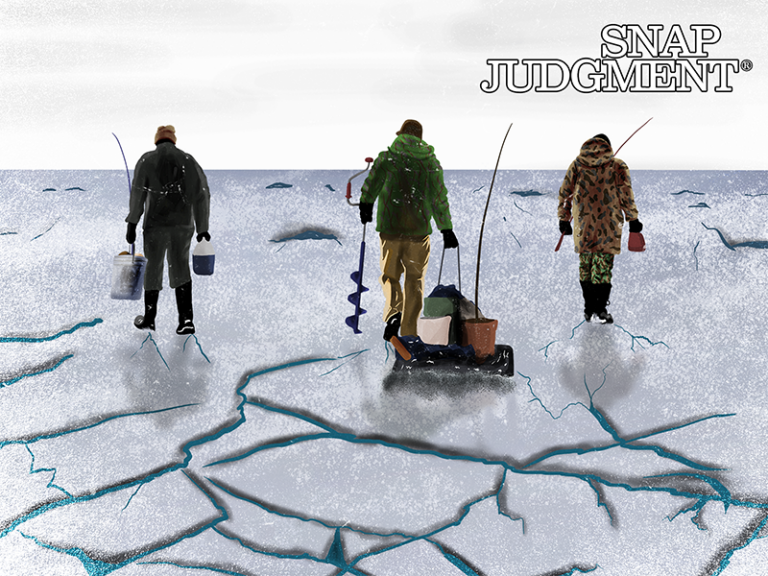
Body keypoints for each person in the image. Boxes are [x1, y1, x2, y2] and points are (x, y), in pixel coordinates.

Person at [359, 119, 458, 341]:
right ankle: (410, 332)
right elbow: (438, 199)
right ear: (420, 139)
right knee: (415, 281)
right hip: (419, 232)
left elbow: (372, 183)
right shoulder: (431, 163)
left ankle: (394, 313)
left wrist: (366, 204)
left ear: (401, 135)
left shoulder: (387, 158)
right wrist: (446, 229)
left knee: (390, 276)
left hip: (390, 230)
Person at [125, 125, 211, 335]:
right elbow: (202, 195)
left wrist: (132, 223)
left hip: (155, 226)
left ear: (157, 140)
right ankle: (186, 320)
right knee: (181, 268)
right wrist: (202, 228)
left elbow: (138, 195)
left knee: (153, 269)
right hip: (182, 227)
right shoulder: (188, 161)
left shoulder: (146, 161)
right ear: (173, 140)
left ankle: (149, 319)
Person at [557, 133, 642, 324]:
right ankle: (600, 310)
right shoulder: (618, 166)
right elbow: (626, 194)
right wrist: (633, 219)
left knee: (585, 266)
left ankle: (588, 309)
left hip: (583, 225)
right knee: (602, 268)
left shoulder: (577, 165)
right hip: (609, 226)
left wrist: (563, 219)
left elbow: (565, 194)